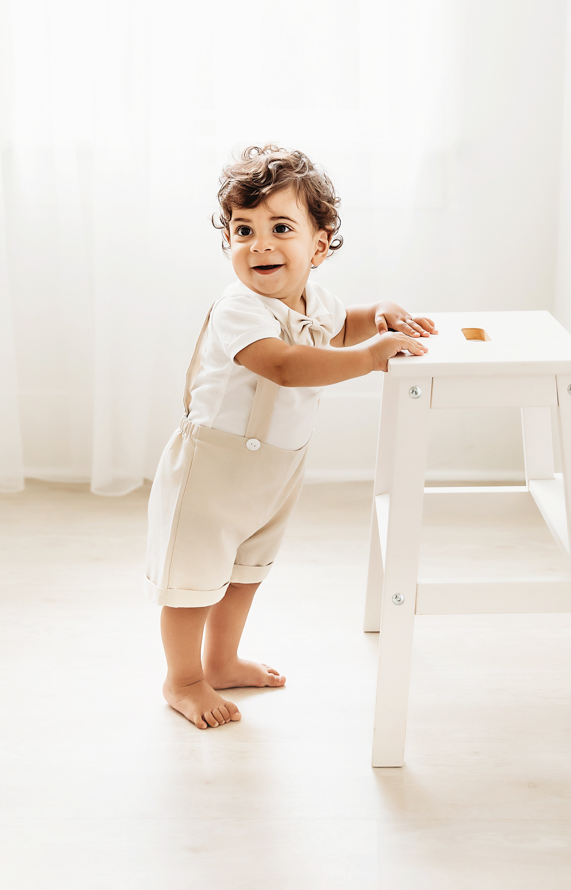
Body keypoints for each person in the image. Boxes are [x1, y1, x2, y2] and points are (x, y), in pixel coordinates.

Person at [145, 144, 437, 729]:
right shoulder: (239, 308)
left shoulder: (311, 299)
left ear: (319, 244)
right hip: (213, 467)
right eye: (243, 229)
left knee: (246, 570)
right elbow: (284, 364)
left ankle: (221, 660)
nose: (260, 244)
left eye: (281, 227)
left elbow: (338, 325)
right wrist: (369, 359)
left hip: (275, 468)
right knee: (194, 579)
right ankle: (182, 679)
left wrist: (378, 314)